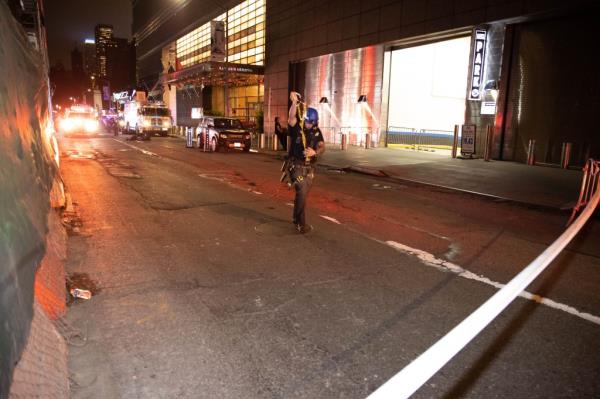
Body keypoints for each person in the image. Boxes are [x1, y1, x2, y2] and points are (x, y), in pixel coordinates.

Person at [287, 91, 325, 234]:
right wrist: (294, 103)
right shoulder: (298, 126)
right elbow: (291, 118)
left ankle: (295, 218)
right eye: (307, 121)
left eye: (311, 122)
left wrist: (315, 152)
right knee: (302, 190)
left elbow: (322, 146)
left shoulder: (316, 131)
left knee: (302, 195)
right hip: (296, 166)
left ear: (315, 122)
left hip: (309, 168)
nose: (308, 124)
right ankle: (301, 224)